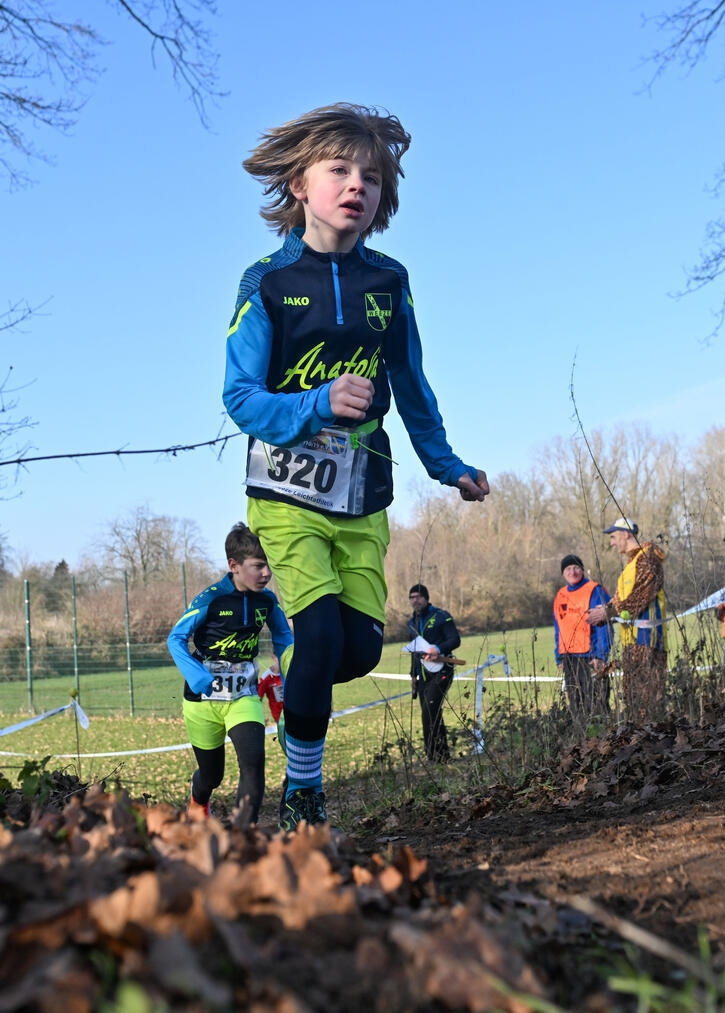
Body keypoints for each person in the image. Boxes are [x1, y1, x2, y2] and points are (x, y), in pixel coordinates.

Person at [222, 103, 489, 831]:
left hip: (363, 493)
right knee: (318, 639)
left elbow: (410, 382)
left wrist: (448, 465)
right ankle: (303, 794)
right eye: (339, 169)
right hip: (285, 494)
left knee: (360, 647)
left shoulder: (389, 282)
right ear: (300, 185)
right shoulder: (267, 285)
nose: (356, 186)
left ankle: (296, 682)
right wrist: (316, 402)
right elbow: (240, 398)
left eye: (372, 176)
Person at [167, 523, 293, 828]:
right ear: (234, 566)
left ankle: (242, 835)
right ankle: (198, 801)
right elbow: (176, 638)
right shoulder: (211, 599)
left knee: (253, 763)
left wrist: (291, 680)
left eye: (269, 566)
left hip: (243, 697)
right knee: (212, 775)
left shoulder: (267, 601)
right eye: (258, 566)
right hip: (201, 701)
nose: (266, 574)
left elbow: (284, 637)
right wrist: (197, 677)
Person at [588, 518, 667, 724]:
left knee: (647, 702)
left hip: (648, 640)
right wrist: (604, 610)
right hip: (632, 640)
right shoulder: (632, 564)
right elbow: (622, 599)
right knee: (634, 699)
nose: (612, 543)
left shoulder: (648, 559)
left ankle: (651, 746)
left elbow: (640, 595)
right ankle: (639, 745)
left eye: (614, 537)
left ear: (626, 534)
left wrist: (608, 612)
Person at [552, 554, 613, 723]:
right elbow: (558, 629)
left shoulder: (594, 590)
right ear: (563, 573)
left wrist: (601, 656)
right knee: (576, 705)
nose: (572, 572)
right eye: (568, 569)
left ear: (582, 570)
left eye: (576, 568)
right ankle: (581, 743)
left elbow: (605, 625)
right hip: (569, 659)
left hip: (590, 658)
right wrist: (559, 657)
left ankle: (604, 742)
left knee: (596, 704)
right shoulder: (560, 596)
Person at [405, 584, 461, 762]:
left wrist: (437, 649)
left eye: (419, 596)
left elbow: (455, 639)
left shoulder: (440, 617)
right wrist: (413, 675)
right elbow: (415, 651)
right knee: (430, 712)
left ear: (426, 598)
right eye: (412, 597)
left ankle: (435, 758)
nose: (415, 600)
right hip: (423, 674)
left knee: (430, 710)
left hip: (442, 669)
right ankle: (440, 755)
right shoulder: (411, 623)